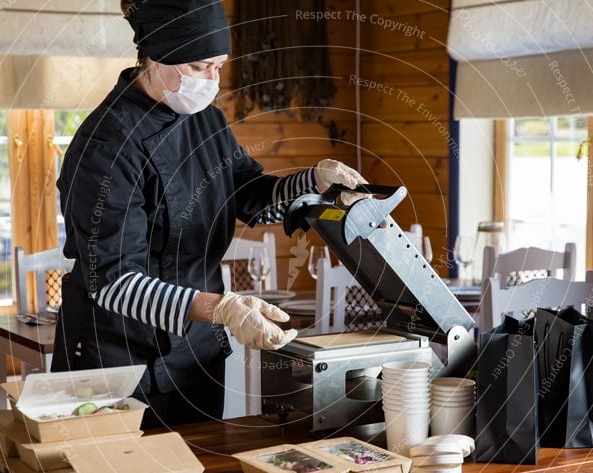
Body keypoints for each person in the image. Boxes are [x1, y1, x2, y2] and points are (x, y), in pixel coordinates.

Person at [51, 0, 368, 428]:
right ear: (156, 55)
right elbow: (110, 280)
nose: (212, 81)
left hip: (195, 353)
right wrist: (223, 309)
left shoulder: (207, 123)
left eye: (219, 66)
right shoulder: (106, 146)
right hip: (116, 358)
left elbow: (251, 196)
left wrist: (314, 182)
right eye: (201, 67)